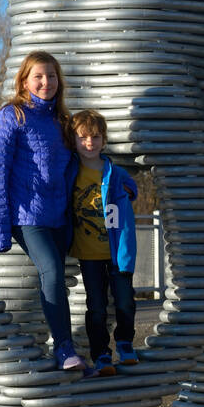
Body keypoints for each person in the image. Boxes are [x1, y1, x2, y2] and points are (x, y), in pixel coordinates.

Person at [0, 51, 84, 371]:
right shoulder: (10, 117)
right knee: (52, 271)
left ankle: (77, 348)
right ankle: (64, 349)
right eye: (38, 76)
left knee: (60, 276)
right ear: (24, 81)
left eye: (51, 76)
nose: (46, 82)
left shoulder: (62, 122)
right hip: (27, 217)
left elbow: (73, 171)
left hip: (58, 217)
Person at [67, 108, 139, 376]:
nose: (90, 143)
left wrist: (129, 192)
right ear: (73, 140)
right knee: (96, 307)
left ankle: (125, 343)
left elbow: (132, 188)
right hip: (89, 253)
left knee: (124, 301)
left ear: (104, 140)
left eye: (96, 137)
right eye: (83, 137)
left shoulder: (115, 172)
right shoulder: (70, 173)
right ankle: (101, 355)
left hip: (117, 250)